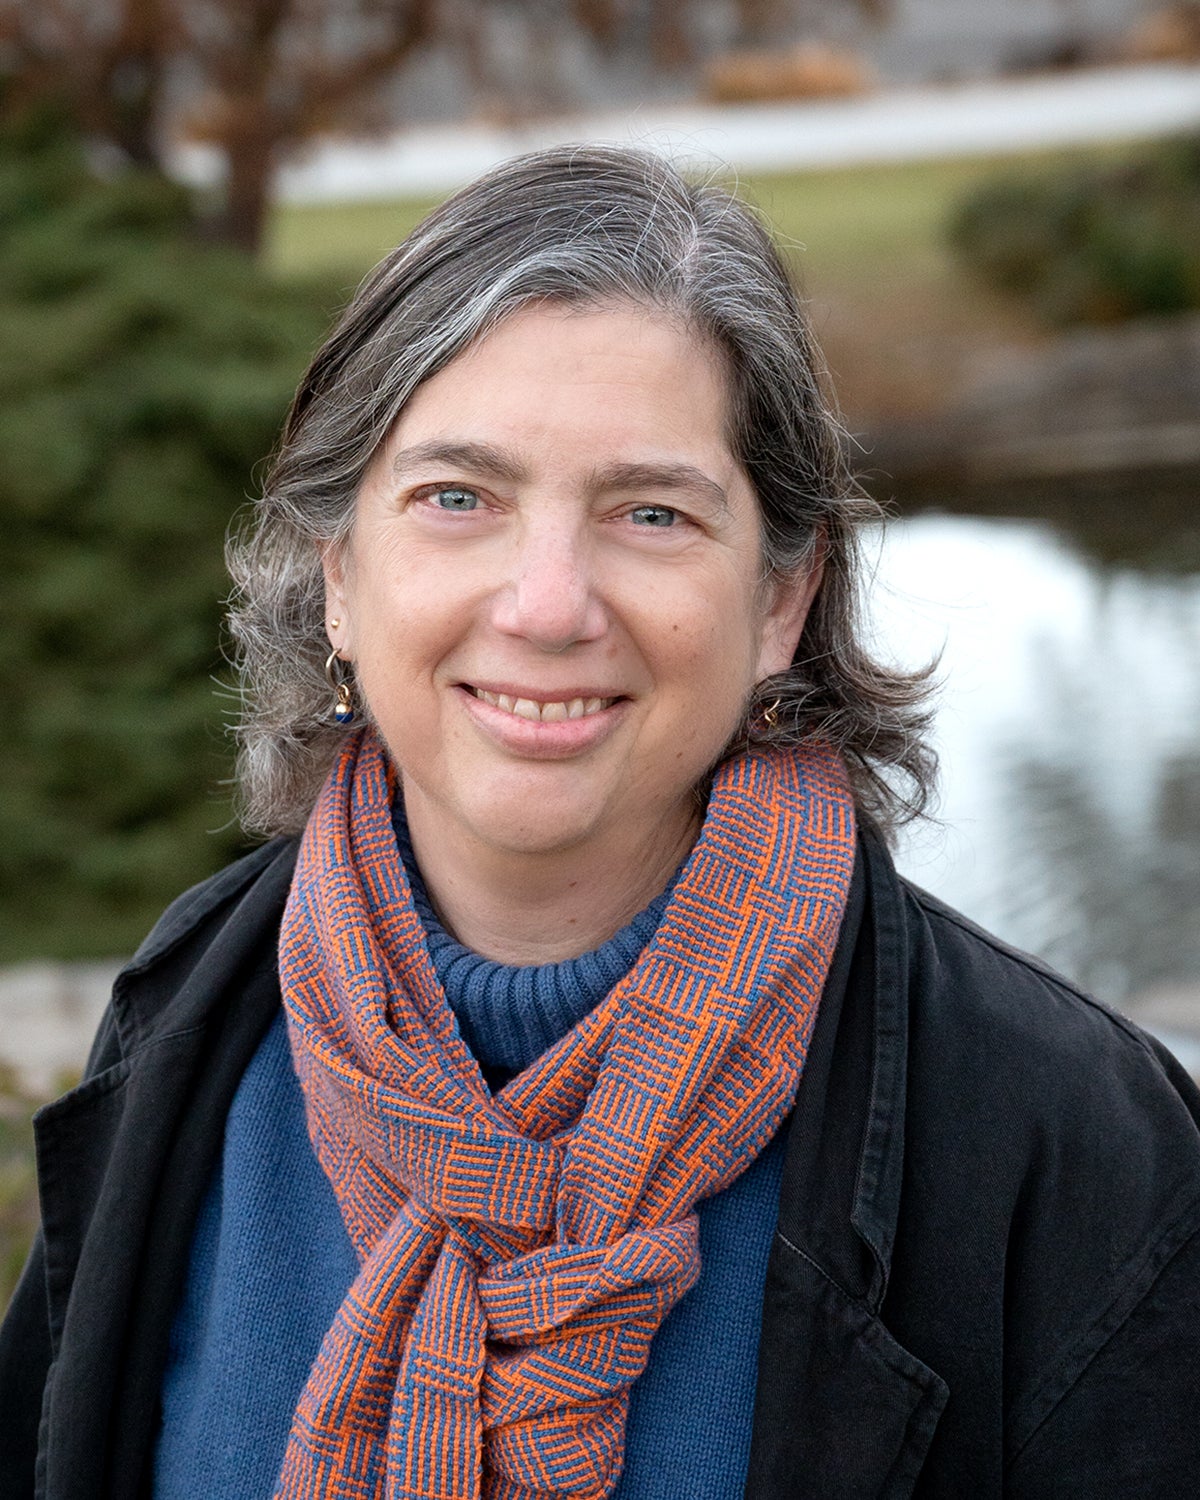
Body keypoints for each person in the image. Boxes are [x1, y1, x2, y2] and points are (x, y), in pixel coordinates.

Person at [2, 144, 1199, 1500]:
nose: (549, 603)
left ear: (779, 603)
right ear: (340, 575)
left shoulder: (1070, 1137)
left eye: (650, 512)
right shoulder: (190, 1017)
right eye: (458, 498)